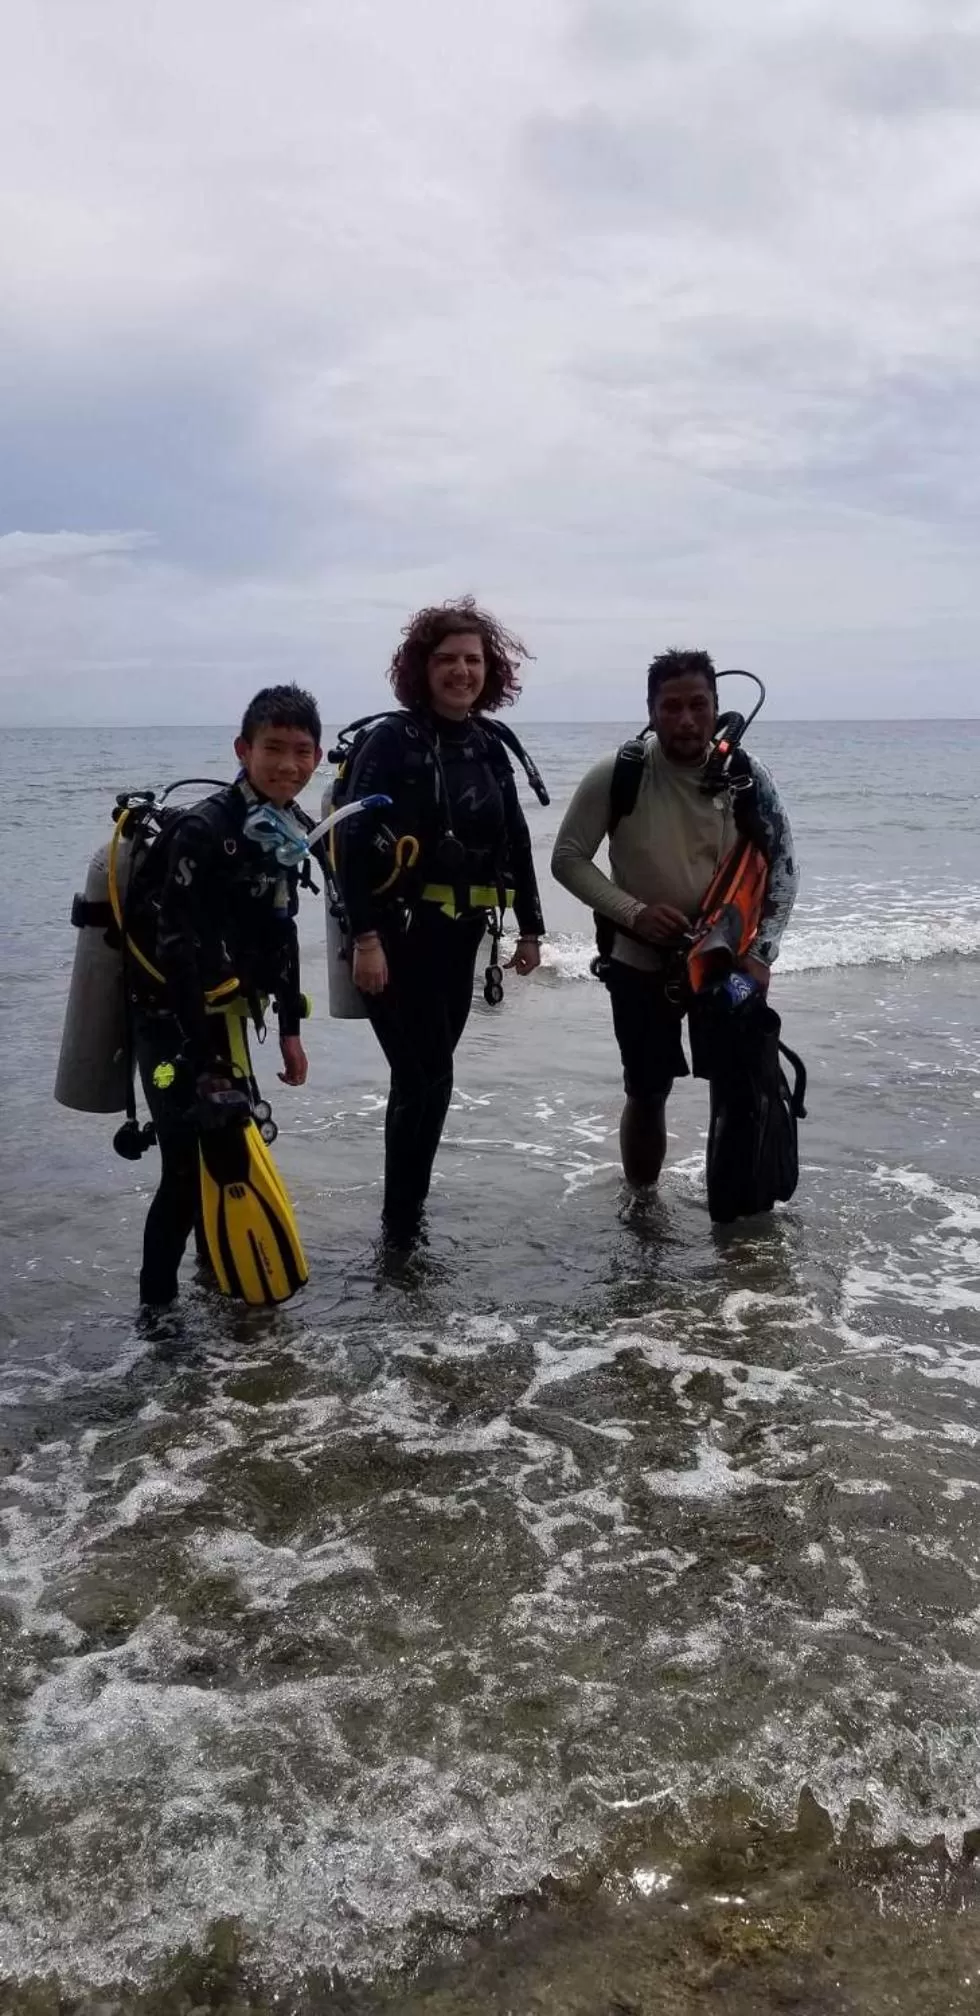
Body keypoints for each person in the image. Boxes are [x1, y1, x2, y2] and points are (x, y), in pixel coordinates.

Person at [332, 598, 546, 1247]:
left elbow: (514, 837)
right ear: (421, 667)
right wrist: (364, 940)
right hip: (394, 936)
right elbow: (348, 841)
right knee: (418, 1075)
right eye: (447, 658)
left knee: (437, 1075)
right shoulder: (390, 741)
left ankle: (409, 1217)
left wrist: (530, 928)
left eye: (473, 659)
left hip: (460, 937)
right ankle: (400, 1227)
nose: (461, 670)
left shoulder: (489, 743)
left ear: (491, 669)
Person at [551, 648, 798, 1187]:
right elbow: (567, 859)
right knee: (646, 1090)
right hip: (640, 964)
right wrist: (634, 914)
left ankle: (736, 1222)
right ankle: (643, 1214)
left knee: (738, 1087)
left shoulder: (748, 775)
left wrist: (762, 953)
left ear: (715, 707)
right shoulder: (619, 774)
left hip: (725, 966)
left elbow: (784, 866)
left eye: (698, 705)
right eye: (671, 707)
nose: (686, 719)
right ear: (651, 709)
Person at [130, 684, 323, 1305]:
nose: (288, 765)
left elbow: (282, 928)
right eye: (273, 749)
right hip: (171, 1025)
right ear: (243, 750)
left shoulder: (286, 831)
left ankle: (220, 1291)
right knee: (185, 1172)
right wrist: (204, 1057)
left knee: (228, 1158)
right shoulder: (203, 830)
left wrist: (291, 1029)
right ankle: (157, 1324)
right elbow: (174, 948)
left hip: (230, 1024)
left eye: (302, 751)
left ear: (317, 758)